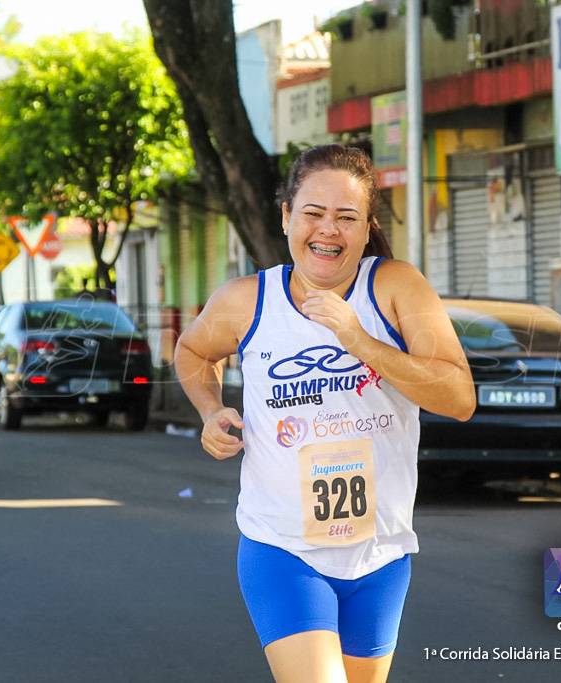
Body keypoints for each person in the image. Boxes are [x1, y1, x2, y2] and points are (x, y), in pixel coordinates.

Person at [175, 144, 475, 683]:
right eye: (313, 213)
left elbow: (458, 397)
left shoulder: (396, 287)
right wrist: (211, 409)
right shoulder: (248, 299)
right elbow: (193, 351)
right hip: (283, 547)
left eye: (346, 217)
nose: (328, 230)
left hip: (380, 553)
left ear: (367, 228)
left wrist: (359, 340)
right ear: (286, 215)